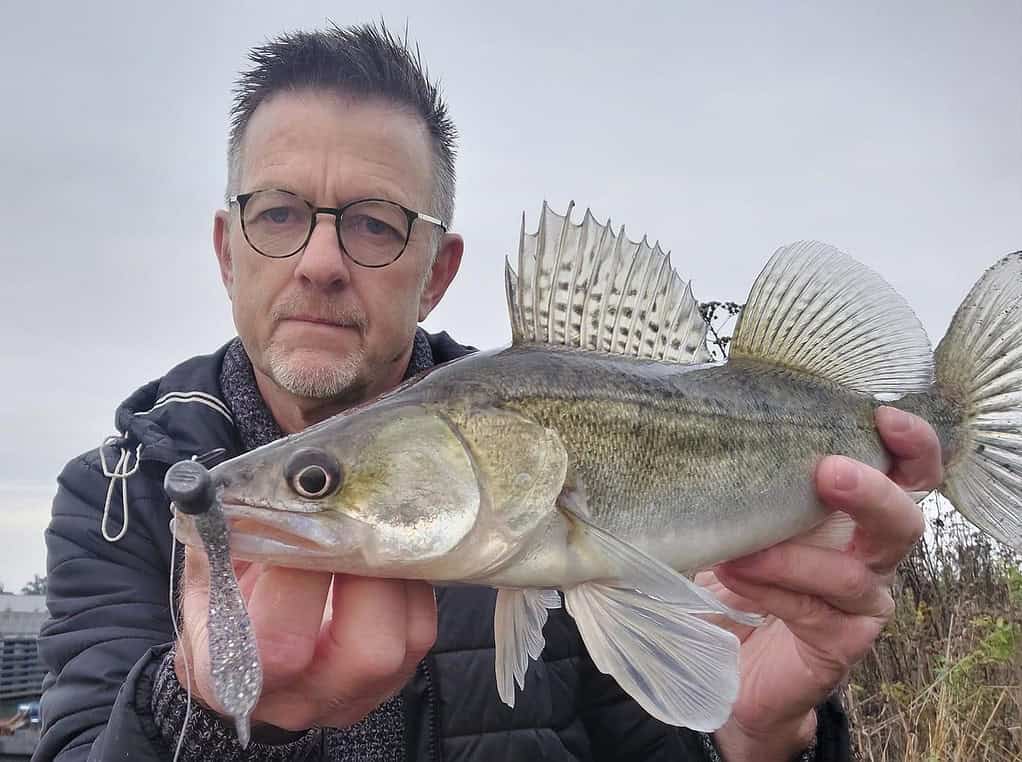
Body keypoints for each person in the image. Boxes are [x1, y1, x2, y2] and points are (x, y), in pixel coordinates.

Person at [35, 22, 939, 762]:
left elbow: (667, 736)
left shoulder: (540, 502)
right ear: (228, 249)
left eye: (374, 225)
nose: (319, 264)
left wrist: (756, 736)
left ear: (436, 272)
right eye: (277, 214)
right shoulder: (116, 498)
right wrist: (201, 714)